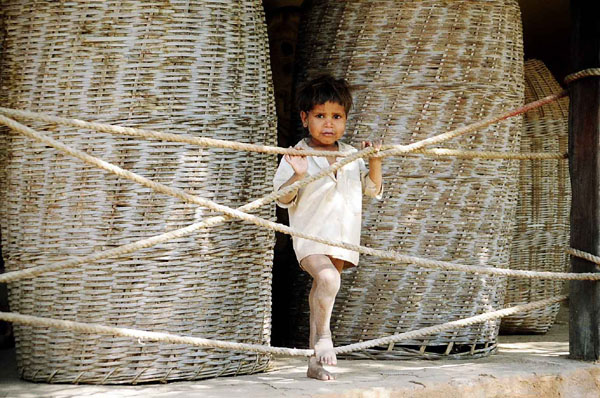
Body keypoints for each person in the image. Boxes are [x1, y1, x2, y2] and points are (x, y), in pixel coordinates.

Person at [273, 75, 383, 381]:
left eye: (336, 117)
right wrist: (298, 174)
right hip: (311, 238)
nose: (328, 124)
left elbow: (372, 189)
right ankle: (323, 338)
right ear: (305, 118)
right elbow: (282, 198)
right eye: (320, 116)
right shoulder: (298, 154)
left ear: (346, 120)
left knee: (326, 287)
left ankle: (314, 362)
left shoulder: (350, 156)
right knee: (326, 277)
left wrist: (374, 160)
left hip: (343, 239)